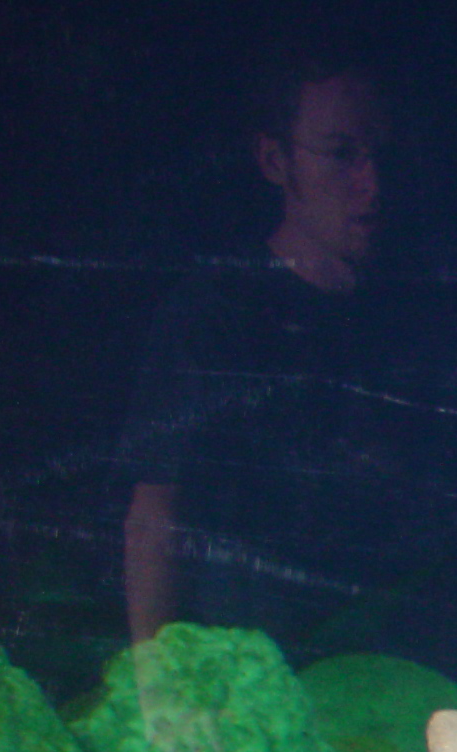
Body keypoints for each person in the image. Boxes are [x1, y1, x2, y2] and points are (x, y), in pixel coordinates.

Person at [118, 48, 410, 648]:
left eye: (379, 153)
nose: (371, 184)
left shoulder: (408, 312)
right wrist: (158, 680)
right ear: (275, 160)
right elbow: (154, 513)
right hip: (249, 671)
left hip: (374, 665)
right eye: (340, 153)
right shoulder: (212, 312)